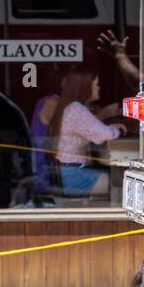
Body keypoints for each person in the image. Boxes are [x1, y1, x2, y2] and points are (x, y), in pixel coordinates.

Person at [46, 65, 126, 197]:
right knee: (121, 184)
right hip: (75, 176)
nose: (99, 87)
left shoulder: (68, 107)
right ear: (86, 86)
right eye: (97, 84)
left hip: (67, 173)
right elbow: (104, 134)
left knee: (118, 180)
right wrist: (117, 129)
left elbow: (90, 130)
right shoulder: (76, 109)